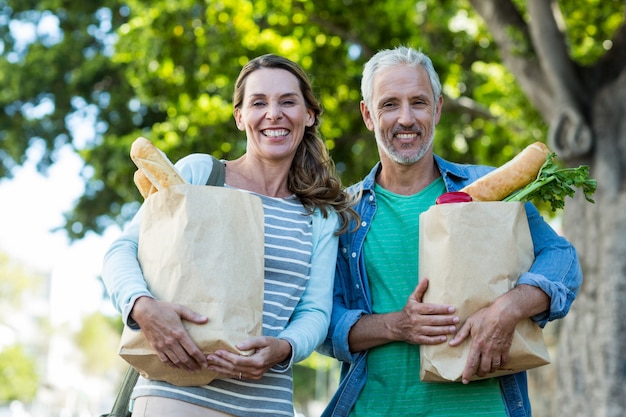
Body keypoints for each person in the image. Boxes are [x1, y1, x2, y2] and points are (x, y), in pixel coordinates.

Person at [318, 46, 583, 417]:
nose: (406, 118)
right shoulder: (342, 214)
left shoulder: (489, 188)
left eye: (419, 102)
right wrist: (398, 326)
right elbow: (319, 323)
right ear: (367, 114)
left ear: (438, 108)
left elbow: (564, 261)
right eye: (389, 105)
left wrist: (508, 309)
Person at [102, 54, 356, 417]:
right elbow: (122, 249)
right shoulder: (200, 174)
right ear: (240, 117)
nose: (273, 114)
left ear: (309, 114)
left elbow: (314, 310)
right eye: (258, 103)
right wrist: (142, 307)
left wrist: (285, 347)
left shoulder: (320, 214)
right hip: (175, 396)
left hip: (267, 405)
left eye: (287, 101)